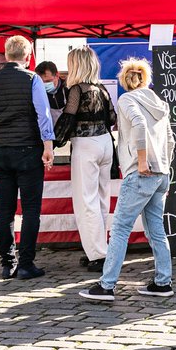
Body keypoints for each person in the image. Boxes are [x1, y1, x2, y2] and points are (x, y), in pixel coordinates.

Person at [80, 58, 175, 301]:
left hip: (141, 172)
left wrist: (142, 160)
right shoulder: (160, 103)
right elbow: (171, 139)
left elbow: (139, 125)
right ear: (146, 78)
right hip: (161, 172)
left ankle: (107, 284)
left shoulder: (126, 100)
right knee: (156, 230)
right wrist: (163, 164)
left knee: (121, 228)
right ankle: (163, 282)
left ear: (125, 80)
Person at [0, 35, 55, 280]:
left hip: (0, 151)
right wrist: (48, 145)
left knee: (5, 208)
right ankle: (26, 264)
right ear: (28, 56)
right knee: (31, 209)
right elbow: (43, 114)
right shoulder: (32, 79)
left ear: (5, 55)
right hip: (27, 150)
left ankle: (7, 263)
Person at [55, 47, 117, 272]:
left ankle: (98, 254)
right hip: (105, 143)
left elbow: (67, 120)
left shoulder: (76, 90)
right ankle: (101, 249)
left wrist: (52, 143)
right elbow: (112, 118)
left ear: (76, 65)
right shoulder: (101, 90)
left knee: (86, 201)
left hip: (86, 145)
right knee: (101, 199)